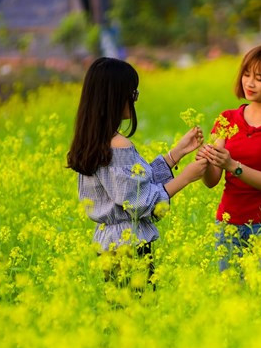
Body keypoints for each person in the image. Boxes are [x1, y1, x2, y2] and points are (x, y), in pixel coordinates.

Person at [67, 57, 207, 283]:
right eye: (133, 93)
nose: (135, 100)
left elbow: (132, 185)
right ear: (115, 97)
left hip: (108, 245)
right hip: (130, 245)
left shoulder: (92, 143)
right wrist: (186, 177)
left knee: (120, 312)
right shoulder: (118, 146)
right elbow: (140, 202)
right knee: (138, 309)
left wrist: (175, 154)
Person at [198, 43, 261, 270]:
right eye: (246, 74)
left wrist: (232, 165)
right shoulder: (227, 118)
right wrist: (205, 159)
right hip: (228, 224)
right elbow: (212, 180)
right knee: (231, 299)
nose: (250, 83)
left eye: (259, 78)